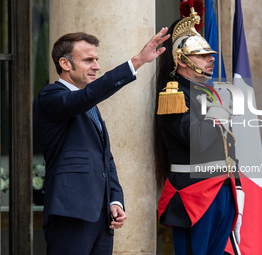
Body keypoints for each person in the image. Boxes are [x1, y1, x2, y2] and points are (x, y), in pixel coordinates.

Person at [35, 28, 170, 255]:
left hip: (102, 218)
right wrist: (135, 62)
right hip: (71, 213)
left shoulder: (89, 105)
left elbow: (105, 158)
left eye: (97, 59)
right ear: (65, 64)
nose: (96, 66)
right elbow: (85, 98)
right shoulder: (51, 96)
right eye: (88, 60)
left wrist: (115, 201)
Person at [154, 3, 244, 255]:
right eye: (202, 55)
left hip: (223, 189)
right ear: (181, 60)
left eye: (210, 54)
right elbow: (197, 140)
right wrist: (220, 111)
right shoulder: (173, 95)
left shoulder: (209, 93)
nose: (211, 59)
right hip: (195, 194)